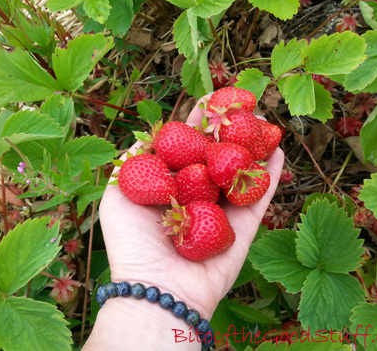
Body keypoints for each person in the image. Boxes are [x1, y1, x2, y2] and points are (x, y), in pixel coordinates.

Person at [82, 97, 285, 350]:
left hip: (216, 174)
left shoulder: (204, 163)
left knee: (200, 172)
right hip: (206, 185)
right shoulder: (185, 182)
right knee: (198, 173)